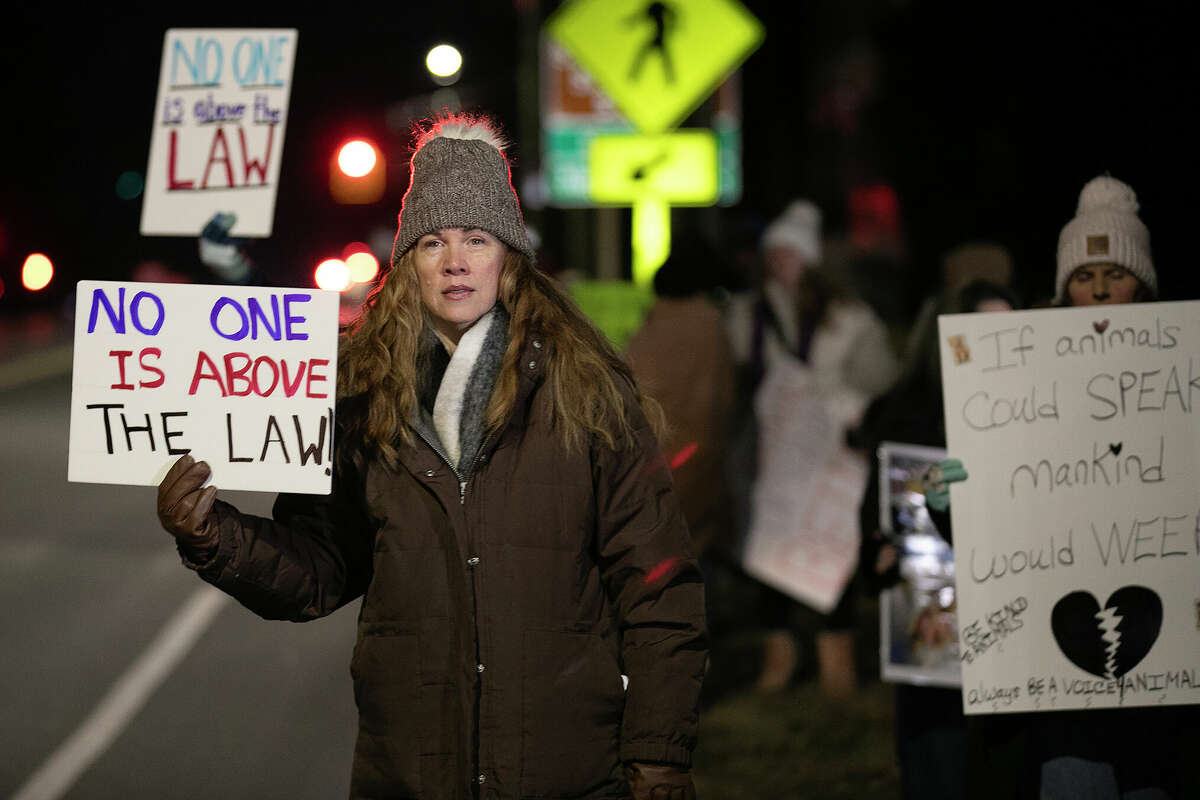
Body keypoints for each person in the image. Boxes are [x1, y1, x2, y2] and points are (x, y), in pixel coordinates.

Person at [155, 113, 707, 800]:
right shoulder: (364, 402)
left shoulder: (586, 395)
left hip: (570, 778)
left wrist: (658, 755)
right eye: (432, 242)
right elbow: (321, 567)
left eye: (477, 239)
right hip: (412, 776)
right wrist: (211, 536)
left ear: (509, 256)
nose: (455, 261)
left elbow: (659, 589)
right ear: (407, 263)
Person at [924, 175, 1183, 799]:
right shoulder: (1018, 377)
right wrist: (951, 503)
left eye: (1114, 274)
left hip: (1168, 666)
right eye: (1083, 276)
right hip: (1061, 678)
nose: (1097, 290)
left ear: (1143, 284)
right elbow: (1002, 526)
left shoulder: (1183, 376)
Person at [725, 198, 899, 695]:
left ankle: (835, 660)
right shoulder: (748, 317)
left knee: (829, 552)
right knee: (768, 555)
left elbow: (877, 376)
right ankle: (779, 655)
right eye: (774, 254)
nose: (781, 264)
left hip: (828, 459)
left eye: (791, 254)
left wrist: (845, 409)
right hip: (774, 459)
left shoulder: (847, 318)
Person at [857, 278, 1021, 800]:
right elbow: (875, 523)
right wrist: (879, 553)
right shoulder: (909, 419)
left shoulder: (1041, 420)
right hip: (937, 664)